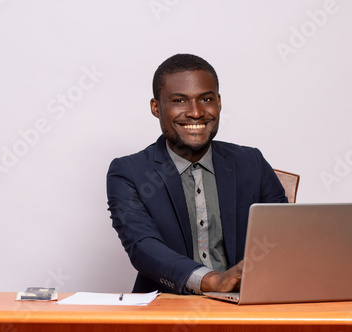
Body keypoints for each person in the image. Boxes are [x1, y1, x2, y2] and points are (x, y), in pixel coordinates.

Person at [107, 54, 287, 295]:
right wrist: (211, 281)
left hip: (245, 306)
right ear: (156, 107)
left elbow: (283, 235)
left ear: (219, 103)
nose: (195, 112)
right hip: (165, 310)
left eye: (206, 99)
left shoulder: (251, 162)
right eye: (180, 100)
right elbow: (142, 246)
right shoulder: (129, 172)